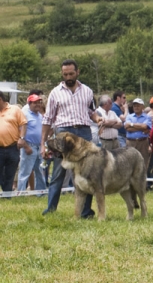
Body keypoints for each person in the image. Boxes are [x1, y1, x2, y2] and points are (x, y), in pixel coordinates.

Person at [41, 59, 101, 217]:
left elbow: (91, 111)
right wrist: (43, 144)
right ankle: (51, 209)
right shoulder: (55, 92)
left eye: (71, 73)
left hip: (83, 133)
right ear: (62, 74)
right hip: (63, 135)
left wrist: (97, 119)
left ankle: (85, 212)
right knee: (58, 173)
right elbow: (48, 119)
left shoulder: (87, 91)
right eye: (65, 74)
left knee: (86, 173)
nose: (68, 76)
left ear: (77, 72)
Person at [17, 94, 45, 192]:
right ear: (29, 103)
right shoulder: (24, 114)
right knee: (25, 172)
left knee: (40, 171)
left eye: (39, 102)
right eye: (35, 102)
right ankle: (20, 193)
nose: (38, 104)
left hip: (39, 147)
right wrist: (25, 146)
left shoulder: (40, 115)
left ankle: (41, 192)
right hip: (29, 146)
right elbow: (19, 131)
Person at [0, 91, 27, 193]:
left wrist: (22, 138)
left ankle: (7, 194)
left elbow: (24, 124)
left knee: (10, 173)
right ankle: (6, 190)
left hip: (13, 147)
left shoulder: (15, 109)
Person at [125, 98, 152, 185]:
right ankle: (131, 184)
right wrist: (141, 128)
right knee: (130, 162)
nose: (136, 107)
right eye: (134, 105)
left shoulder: (147, 117)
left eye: (138, 105)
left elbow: (145, 127)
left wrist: (132, 125)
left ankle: (143, 184)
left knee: (144, 163)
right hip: (131, 142)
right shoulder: (129, 116)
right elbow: (127, 127)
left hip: (143, 142)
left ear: (142, 107)